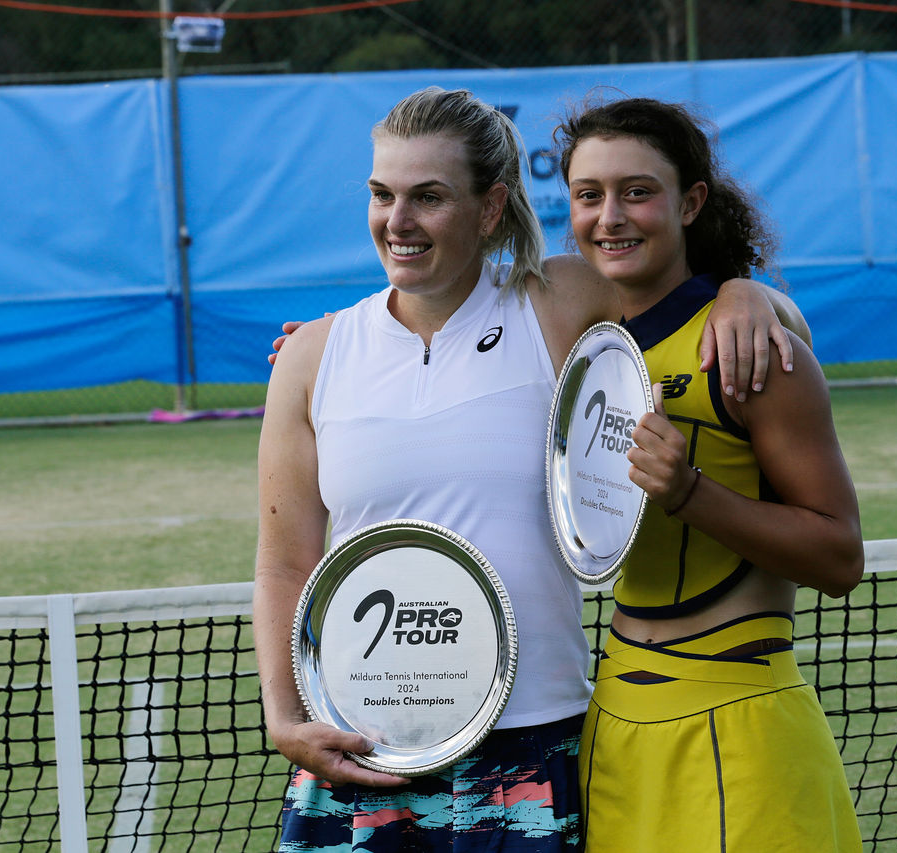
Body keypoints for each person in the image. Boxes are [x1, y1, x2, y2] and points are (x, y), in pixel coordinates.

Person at [253, 86, 810, 852]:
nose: (398, 221)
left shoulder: (557, 302)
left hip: (532, 748)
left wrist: (748, 296)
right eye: (382, 195)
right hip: (366, 750)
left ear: (490, 209)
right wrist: (285, 716)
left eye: (429, 197)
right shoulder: (315, 357)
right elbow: (286, 563)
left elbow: (699, 303)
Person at [553, 97, 864, 852]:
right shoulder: (586, 348)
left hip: (741, 725)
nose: (610, 216)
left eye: (637, 191)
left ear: (690, 202)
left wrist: (690, 492)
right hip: (612, 731)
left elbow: (840, 556)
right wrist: (332, 348)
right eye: (589, 195)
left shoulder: (748, 347)